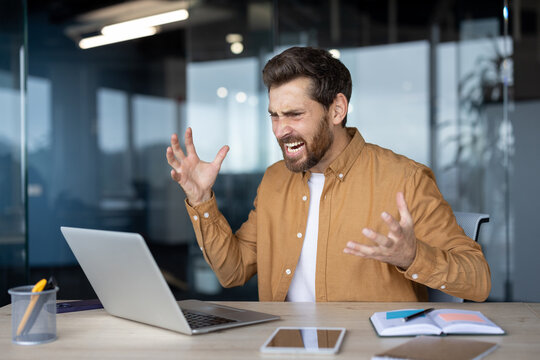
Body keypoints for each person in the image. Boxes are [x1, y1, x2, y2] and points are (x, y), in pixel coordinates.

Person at [166, 47, 491, 302]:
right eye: (274, 116)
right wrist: (201, 199)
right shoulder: (275, 180)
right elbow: (232, 272)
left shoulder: (405, 178)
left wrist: (413, 256)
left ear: (337, 109)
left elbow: (478, 280)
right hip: (285, 347)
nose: (281, 130)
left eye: (294, 114)